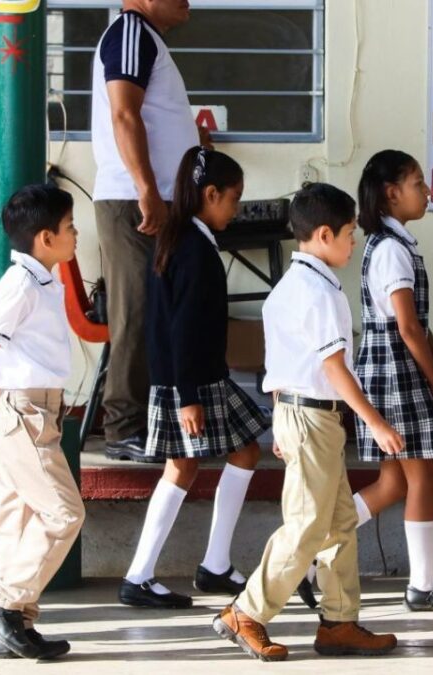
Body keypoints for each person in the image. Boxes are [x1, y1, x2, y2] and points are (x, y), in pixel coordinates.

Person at [212, 182, 402, 661]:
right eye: (349, 233)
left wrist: (282, 420)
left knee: (337, 522)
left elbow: (279, 364)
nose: (353, 241)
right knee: (308, 524)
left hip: (303, 414)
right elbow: (334, 368)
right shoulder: (317, 292)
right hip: (314, 415)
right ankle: (247, 611)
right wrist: (375, 423)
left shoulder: (292, 287)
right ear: (323, 234)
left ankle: (339, 622)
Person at [118, 147, 269, 609]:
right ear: (210, 194)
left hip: (200, 378)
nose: (237, 208)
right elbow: (181, 327)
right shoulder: (194, 249)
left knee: (244, 450)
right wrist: (187, 397)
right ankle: (139, 576)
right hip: (190, 383)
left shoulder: (181, 238)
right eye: (234, 198)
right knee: (182, 467)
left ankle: (216, 565)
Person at [303, 150, 433, 611]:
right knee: (422, 473)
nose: (426, 191)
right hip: (396, 366)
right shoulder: (390, 250)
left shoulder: (394, 244)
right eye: (418, 183)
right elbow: (408, 328)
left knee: (395, 483)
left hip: (392, 364)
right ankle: (422, 584)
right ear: (391, 193)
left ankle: (312, 557)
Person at [0, 184, 85, 660]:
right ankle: (0, 601)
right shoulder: (19, 285)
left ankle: (12, 628)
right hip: (21, 411)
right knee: (63, 512)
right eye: (70, 227)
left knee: (18, 520)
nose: (76, 234)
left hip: (36, 409)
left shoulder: (43, 280)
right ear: (45, 237)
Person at [91, 0, 204, 461]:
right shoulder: (131, 32)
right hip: (134, 201)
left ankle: (155, 420)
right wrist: (146, 189)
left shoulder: (147, 39)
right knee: (137, 309)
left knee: (161, 310)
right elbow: (124, 114)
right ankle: (123, 427)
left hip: (156, 198)